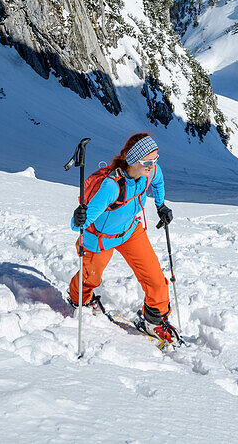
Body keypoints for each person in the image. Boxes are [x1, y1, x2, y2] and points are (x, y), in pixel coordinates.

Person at [68, 131, 179, 344]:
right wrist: (78, 218)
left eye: (156, 159)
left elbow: (159, 181)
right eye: (147, 161)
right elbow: (79, 223)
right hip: (100, 237)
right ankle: (78, 299)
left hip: (129, 231)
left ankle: (153, 320)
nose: (152, 165)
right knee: (90, 278)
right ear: (132, 159)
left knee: (156, 279)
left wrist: (161, 205)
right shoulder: (111, 186)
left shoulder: (150, 171)